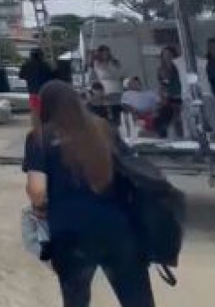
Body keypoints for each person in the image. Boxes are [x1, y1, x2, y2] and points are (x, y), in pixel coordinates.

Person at [23, 81, 155, 307]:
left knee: (76, 300)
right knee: (137, 299)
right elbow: (135, 171)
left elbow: (37, 191)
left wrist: (39, 209)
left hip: (71, 234)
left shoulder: (39, 138)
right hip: (118, 227)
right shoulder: (103, 128)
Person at [88, 46, 124, 126]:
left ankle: (117, 125)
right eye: (103, 52)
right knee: (105, 111)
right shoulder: (96, 63)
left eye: (107, 52)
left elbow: (119, 74)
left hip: (116, 88)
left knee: (116, 110)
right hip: (103, 89)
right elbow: (95, 76)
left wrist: (109, 68)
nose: (105, 54)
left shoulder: (114, 62)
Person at [156, 46, 184, 139]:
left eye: (169, 54)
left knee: (179, 117)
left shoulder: (179, 67)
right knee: (171, 116)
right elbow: (162, 84)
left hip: (180, 94)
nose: (167, 56)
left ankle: (181, 135)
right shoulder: (161, 69)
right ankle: (172, 135)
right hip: (169, 96)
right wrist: (161, 96)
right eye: (165, 54)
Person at [20, 48, 55, 115]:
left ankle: (37, 124)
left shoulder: (26, 65)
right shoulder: (45, 65)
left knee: (35, 112)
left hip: (33, 92)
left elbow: (21, 76)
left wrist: (30, 77)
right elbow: (52, 77)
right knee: (46, 112)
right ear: (41, 55)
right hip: (45, 93)